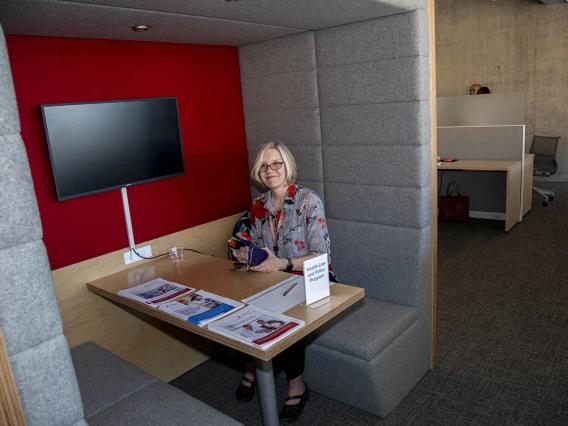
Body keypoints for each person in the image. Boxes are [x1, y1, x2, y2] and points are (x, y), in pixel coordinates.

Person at [233, 140, 335, 423]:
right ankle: (252, 368)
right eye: (264, 166)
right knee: (241, 307)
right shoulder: (257, 205)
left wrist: (284, 264)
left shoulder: (308, 200)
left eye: (276, 163)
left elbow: (321, 255)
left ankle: (297, 386)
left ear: (287, 166)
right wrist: (246, 254)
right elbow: (259, 248)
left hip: (309, 277)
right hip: (273, 278)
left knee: (284, 320)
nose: (270, 170)